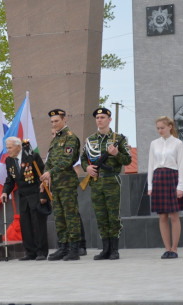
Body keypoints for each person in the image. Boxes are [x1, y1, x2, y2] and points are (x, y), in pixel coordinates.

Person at [81, 108, 131, 260]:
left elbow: (128, 160)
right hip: (96, 182)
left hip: (111, 181)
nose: (99, 120)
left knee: (113, 216)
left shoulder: (119, 139)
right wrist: (87, 168)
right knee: (101, 216)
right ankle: (105, 248)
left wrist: (116, 154)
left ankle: (114, 249)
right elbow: (83, 159)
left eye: (102, 117)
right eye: (97, 117)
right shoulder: (90, 140)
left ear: (109, 119)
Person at [39, 109, 82, 261]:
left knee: (70, 216)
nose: (54, 124)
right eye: (52, 122)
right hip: (55, 184)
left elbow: (67, 161)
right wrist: (44, 178)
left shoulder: (71, 138)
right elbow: (49, 161)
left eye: (56, 121)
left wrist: (51, 172)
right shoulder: (55, 139)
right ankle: (63, 247)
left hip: (67, 182)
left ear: (65, 120)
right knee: (59, 217)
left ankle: (74, 248)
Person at [147, 116, 183, 259]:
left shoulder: (177, 143)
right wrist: (150, 185)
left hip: (173, 178)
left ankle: (175, 249)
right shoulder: (154, 144)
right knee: (162, 216)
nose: (160, 130)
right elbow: (150, 165)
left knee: (174, 215)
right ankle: (167, 249)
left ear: (170, 127)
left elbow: (181, 166)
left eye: (162, 128)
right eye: (158, 128)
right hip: (158, 178)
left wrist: (181, 187)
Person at [1, 137, 49, 261]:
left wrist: (44, 196)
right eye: (7, 148)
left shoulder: (32, 156)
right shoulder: (9, 161)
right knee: (25, 226)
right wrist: (5, 192)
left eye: (10, 147)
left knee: (38, 225)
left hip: (36, 195)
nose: (8, 150)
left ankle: (41, 252)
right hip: (23, 197)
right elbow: (10, 180)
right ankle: (30, 252)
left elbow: (42, 176)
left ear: (18, 147)